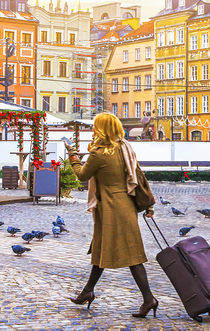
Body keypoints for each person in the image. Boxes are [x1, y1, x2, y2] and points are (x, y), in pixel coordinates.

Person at [66, 112, 158, 318]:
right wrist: (149, 204)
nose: (93, 130)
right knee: (101, 249)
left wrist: (73, 156)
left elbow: (82, 175)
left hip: (110, 207)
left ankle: (148, 298)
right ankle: (87, 291)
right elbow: (139, 176)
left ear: (101, 129)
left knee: (133, 256)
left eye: (95, 127)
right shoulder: (125, 147)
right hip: (125, 205)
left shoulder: (99, 154)